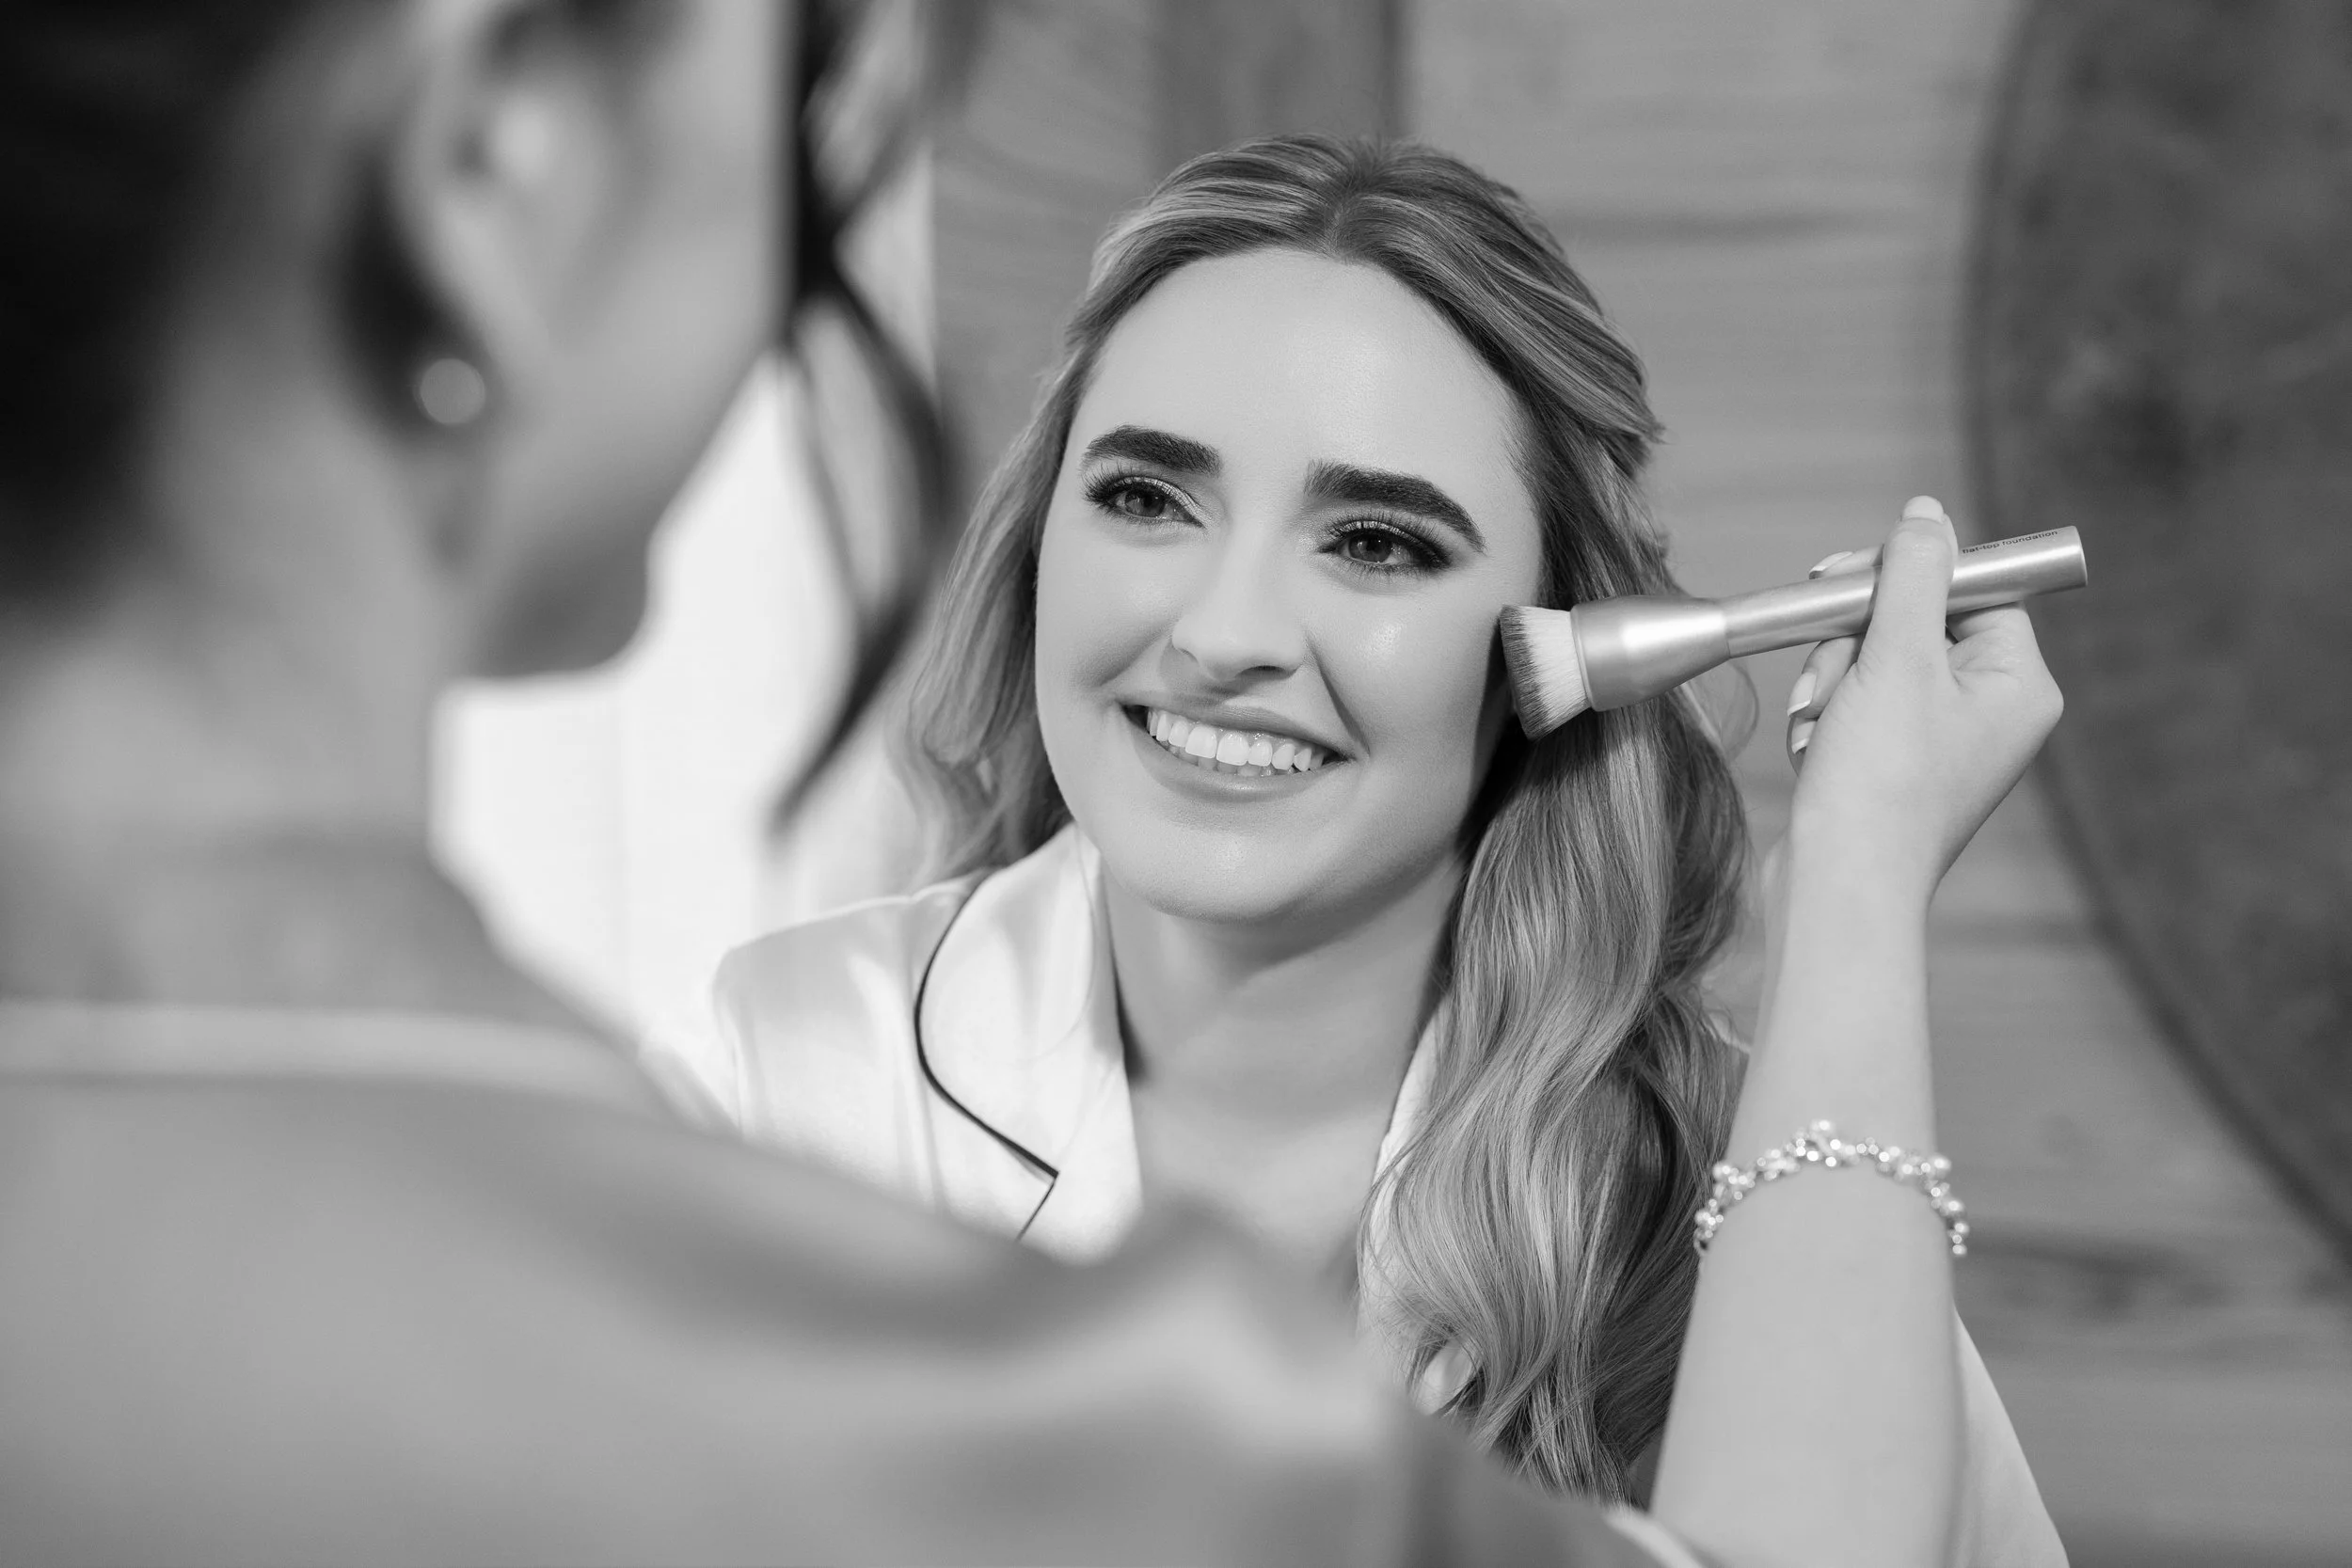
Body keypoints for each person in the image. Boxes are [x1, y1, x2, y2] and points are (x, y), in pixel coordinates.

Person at [0, 6, 2052, 1567]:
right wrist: (1863, 866)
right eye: (806, 106)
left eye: (1375, 540)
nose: (1227, 629)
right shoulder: (871, 1300)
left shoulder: (1742, 1248)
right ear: (491, 155)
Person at [687, 136, 2066, 1563]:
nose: (1224, 635)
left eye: (1376, 543)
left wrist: (1854, 863)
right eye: (1146, 499)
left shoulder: (1760, 1196)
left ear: (1560, 645)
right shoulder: (786, 1079)